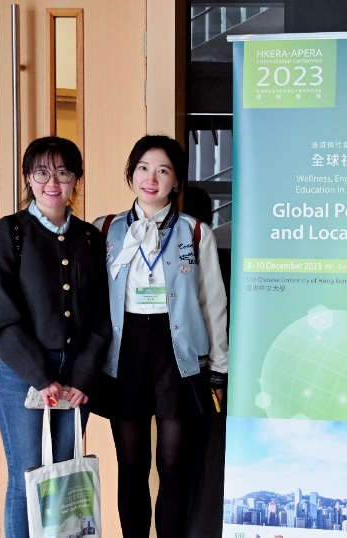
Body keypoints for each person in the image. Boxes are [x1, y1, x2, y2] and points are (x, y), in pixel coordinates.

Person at [0, 136, 112, 538]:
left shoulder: (90, 238)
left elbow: (101, 315)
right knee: (28, 476)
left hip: (76, 377)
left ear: (76, 180)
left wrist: (84, 377)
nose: (53, 182)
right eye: (42, 172)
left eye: (63, 173)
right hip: (21, 373)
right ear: (28, 178)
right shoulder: (11, 232)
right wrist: (40, 375)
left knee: (63, 477)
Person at [93, 135, 229, 537]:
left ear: (176, 182)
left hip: (178, 355)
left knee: (173, 465)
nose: (151, 178)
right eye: (143, 168)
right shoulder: (105, 229)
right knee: (131, 464)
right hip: (124, 353)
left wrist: (218, 369)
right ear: (131, 174)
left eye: (163, 170)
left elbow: (213, 304)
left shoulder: (195, 232)